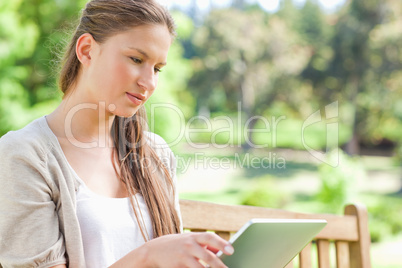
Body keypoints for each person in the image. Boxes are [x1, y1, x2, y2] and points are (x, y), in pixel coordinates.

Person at [0, 0, 234, 267]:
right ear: (87, 50)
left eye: (157, 69)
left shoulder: (156, 154)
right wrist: (148, 257)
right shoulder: (22, 156)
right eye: (136, 59)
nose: (149, 83)